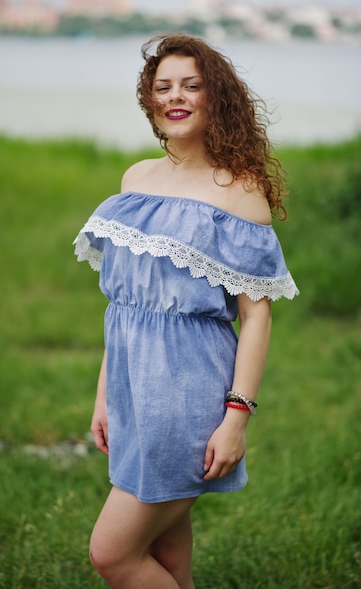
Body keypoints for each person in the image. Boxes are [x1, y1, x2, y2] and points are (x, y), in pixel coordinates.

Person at [73, 34, 299, 589]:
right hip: (132, 392)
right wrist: (106, 395)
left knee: (113, 553)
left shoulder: (239, 192)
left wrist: (237, 417)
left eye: (191, 86)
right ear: (150, 100)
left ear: (214, 98)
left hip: (186, 398)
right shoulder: (135, 180)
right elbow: (126, 305)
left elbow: (257, 317)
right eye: (163, 86)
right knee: (168, 557)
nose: (175, 96)